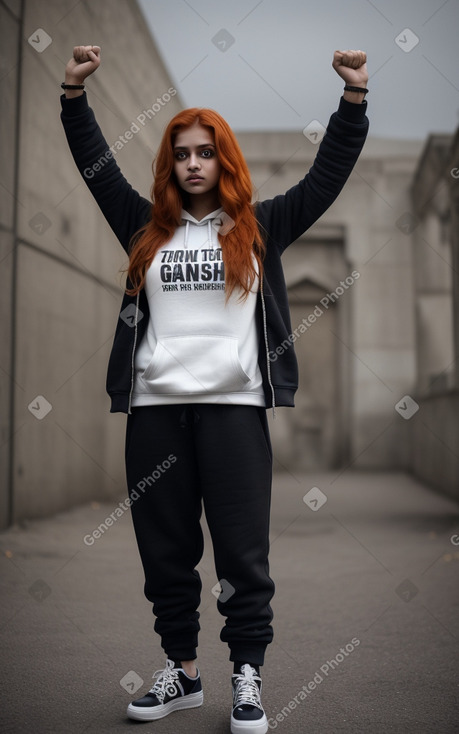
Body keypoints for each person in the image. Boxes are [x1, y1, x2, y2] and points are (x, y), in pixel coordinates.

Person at [60, 44, 369, 734]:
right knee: (164, 550)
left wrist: (352, 99)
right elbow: (95, 168)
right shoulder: (145, 229)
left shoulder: (261, 229)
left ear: (222, 160)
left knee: (239, 552)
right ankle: (181, 672)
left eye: (204, 152)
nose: (192, 163)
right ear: (170, 165)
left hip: (232, 413)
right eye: (182, 154)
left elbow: (327, 175)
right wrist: (74, 94)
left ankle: (247, 677)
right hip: (155, 413)